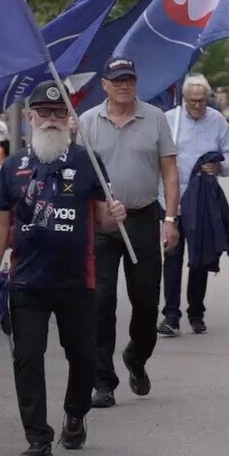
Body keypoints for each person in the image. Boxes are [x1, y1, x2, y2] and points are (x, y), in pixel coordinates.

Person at [0, 81, 128, 456]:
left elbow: (103, 221)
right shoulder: (13, 165)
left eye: (58, 113)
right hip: (26, 282)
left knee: (83, 356)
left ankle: (75, 414)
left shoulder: (88, 161)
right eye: (43, 113)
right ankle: (37, 437)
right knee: (27, 358)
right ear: (30, 117)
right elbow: (0, 221)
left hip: (76, 280)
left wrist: (116, 218)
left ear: (70, 120)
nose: (51, 120)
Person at [76, 57, 180, 409]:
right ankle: (102, 380)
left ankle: (137, 356)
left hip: (142, 217)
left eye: (130, 80)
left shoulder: (155, 119)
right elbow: (78, 175)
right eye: (117, 80)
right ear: (104, 84)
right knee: (101, 301)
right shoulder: (88, 122)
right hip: (101, 222)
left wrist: (170, 219)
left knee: (147, 300)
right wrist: (91, 210)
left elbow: (170, 171)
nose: (124, 85)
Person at [158, 74, 229, 337]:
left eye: (202, 101)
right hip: (172, 198)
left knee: (200, 258)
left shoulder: (217, 121)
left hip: (202, 199)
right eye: (192, 101)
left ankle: (196, 311)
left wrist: (219, 167)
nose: (197, 106)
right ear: (184, 99)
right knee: (172, 255)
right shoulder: (170, 120)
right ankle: (171, 313)